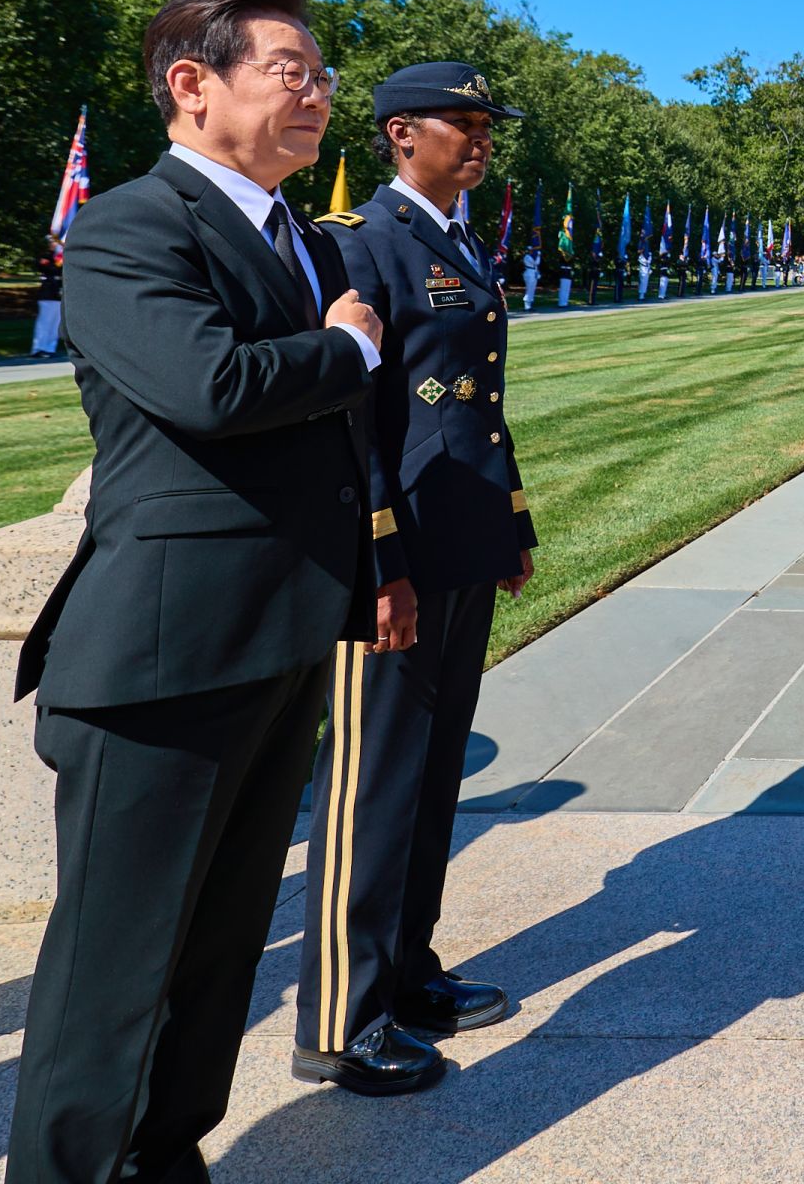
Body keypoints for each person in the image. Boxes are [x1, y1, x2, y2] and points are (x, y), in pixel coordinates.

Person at [7, 0, 409, 1184]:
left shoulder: (301, 235)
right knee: (115, 966)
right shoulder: (131, 224)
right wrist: (342, 345)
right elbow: (207, 387)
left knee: (223, 943)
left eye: (323, 75)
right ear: (193, 84)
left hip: (280, 636)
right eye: (293, 70)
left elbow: (334, 442)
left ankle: (164, 1151)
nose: (319, 94)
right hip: (163, 656)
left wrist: (373, 564)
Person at [305, 64, 535, 1092]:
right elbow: (356, 424)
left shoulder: (458, 238)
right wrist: (380, 562)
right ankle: (340, 1019)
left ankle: (405, 970)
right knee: (372, 786)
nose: (480, 139)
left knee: (433, 774)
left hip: (461, 537)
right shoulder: (357, 241)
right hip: (397, 553)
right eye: (463, 123)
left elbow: (478, 401)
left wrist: (509, 521)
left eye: (487, 126)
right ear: (402, 132)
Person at [29, 246, 65, 358]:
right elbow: (46, 267)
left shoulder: (63, 257)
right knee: (44, 323)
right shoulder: (47, 256)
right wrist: (56, 257)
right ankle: (38, 348)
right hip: (47, 294)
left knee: (56, 324)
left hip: (59, 294)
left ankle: (49, 348)